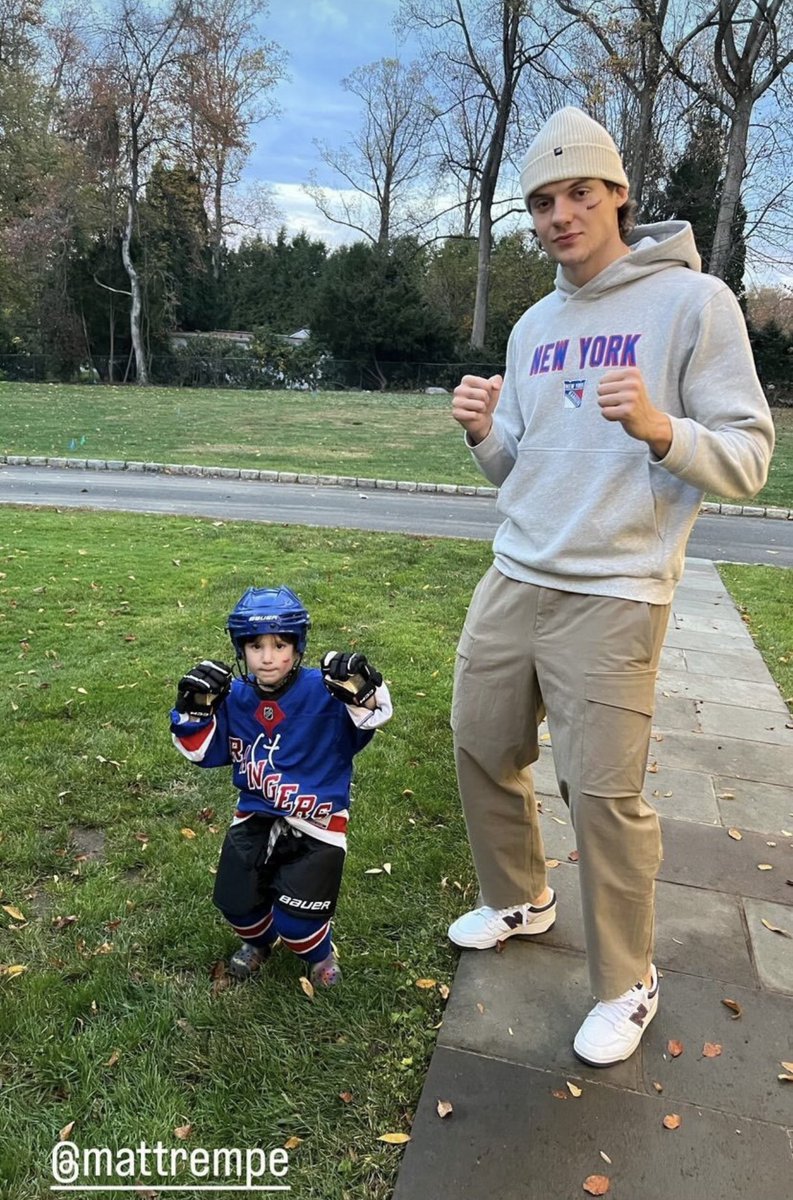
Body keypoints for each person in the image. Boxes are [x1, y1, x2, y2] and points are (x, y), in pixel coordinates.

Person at [448, 106, 774, 1066]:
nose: (560, 215)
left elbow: (750, 456)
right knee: (480, 744)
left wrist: (662, 428)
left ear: (618, 195)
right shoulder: (534, 324)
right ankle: (520, 898)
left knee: (600, 795)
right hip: (515, 571)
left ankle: (628, 982)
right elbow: (519, 468)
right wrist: (483, 432)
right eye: (542, 202)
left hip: (617, 589)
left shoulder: (693, 303)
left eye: (579, 193)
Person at [170, 585, 392, 988]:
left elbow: (372, 716)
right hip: (255, 815)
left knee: (297, 923)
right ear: (240, 648)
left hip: (318, 820)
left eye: (280, 644)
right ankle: (259, 943)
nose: (267, 657)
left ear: (298, 645)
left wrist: (362, 687)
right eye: (255, 645)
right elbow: (201, 751)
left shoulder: (324, 692)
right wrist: (193, 710)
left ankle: (320, 955)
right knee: (236, 904)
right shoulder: (233, 697)